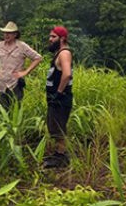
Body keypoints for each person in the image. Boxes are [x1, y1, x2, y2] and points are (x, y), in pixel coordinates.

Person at [0, 21, 42, 110]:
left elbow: (38, 58)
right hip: (1, 85)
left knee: (15, 111)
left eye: (9, 33)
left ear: (15, 34)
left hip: (15, 85)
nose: (6, 35)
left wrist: (25, 72)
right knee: (2, 112)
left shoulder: (21, 46)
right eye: (5, 33)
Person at [43, 26, 73, 168]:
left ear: (62, 39)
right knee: (54, 126)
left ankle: (62, 157)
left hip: (61, 98)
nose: (50, 39)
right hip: (55, 98)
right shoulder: (59, 53)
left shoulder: (64, 53)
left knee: (59, 128)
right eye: (50, 36)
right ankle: (58, 153)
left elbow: (67, 74)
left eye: (53, 37)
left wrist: (59, 93)